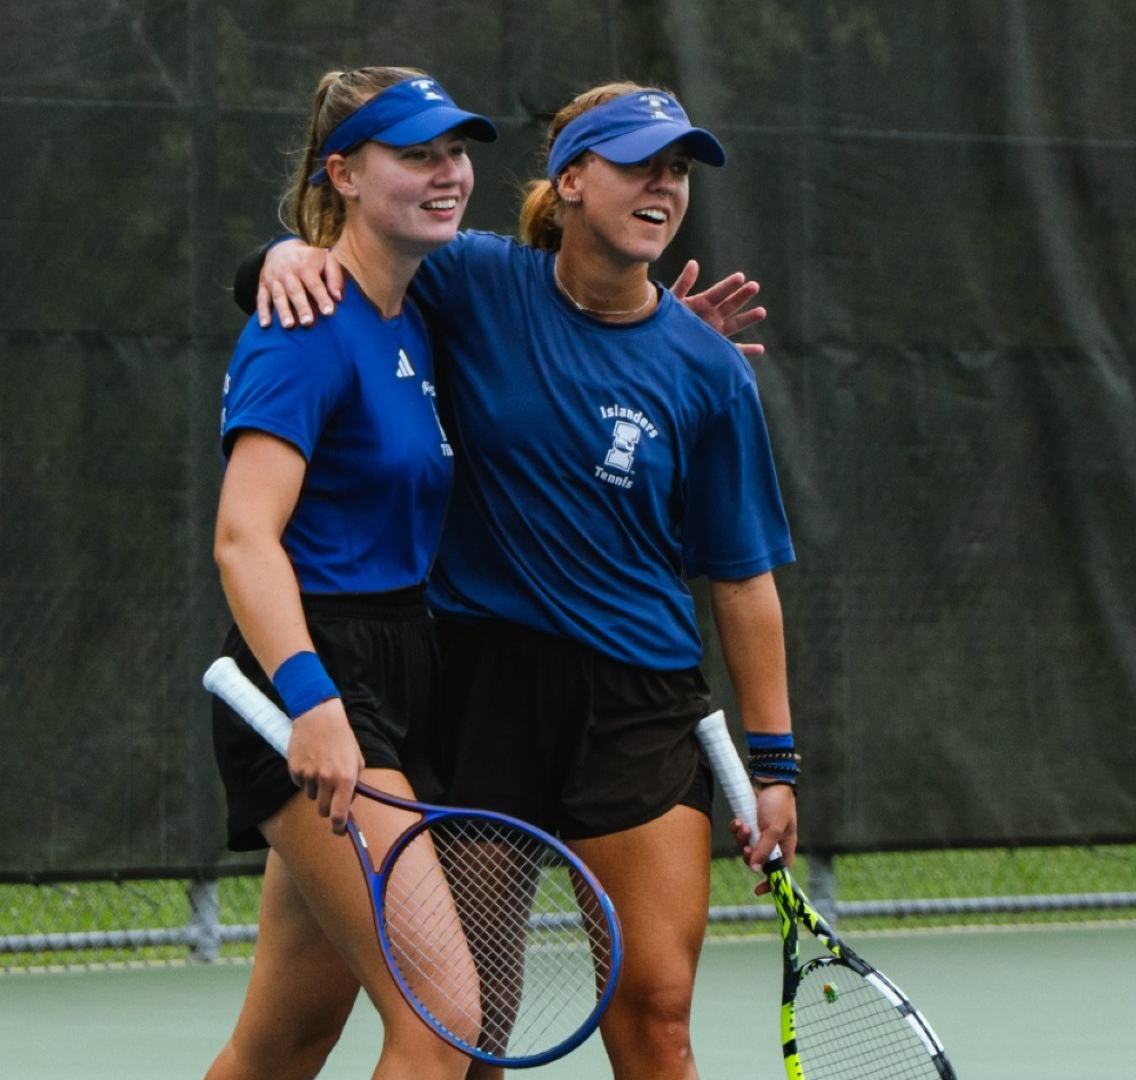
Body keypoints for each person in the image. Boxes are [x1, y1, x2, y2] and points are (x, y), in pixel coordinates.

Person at [245, 84, 801, 1080]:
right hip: (477, 696)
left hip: (637, 710)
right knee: (471, 1026)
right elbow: (360, 267)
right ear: (572, 181)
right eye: (639, 165)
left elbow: (742, 578)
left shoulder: (710, 372)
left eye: (678, 171)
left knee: (657, 1014)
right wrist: (278, 256)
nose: (664, 187)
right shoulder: (474, 282)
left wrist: (777, 765)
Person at [204, 67, 497, 1080]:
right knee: (442, 1022)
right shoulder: (301, 326)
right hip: (317, 674)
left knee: (285, 1042)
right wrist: (312, 698)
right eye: (416, 155)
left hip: (404, 663)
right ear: (345, 174)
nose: (447, 173)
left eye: (454, 152)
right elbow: (244, 538)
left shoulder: (420, 311)